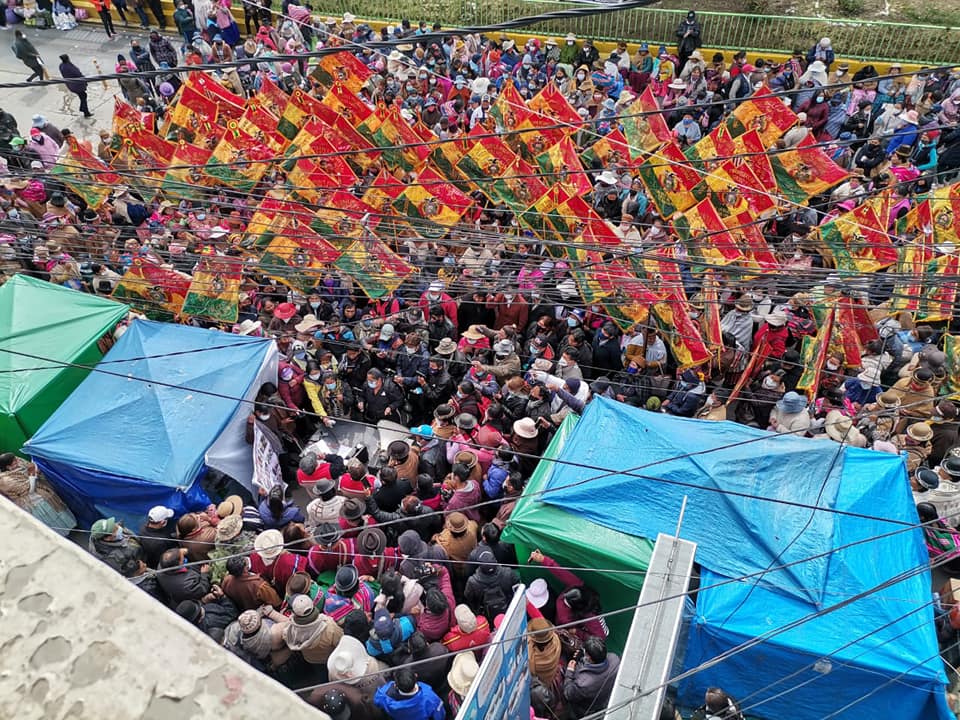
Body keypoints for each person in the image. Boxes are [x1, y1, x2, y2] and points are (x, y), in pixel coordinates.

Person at [563, 636, 621, 718]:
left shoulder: (583, 683)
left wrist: (570, 670)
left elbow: (568, 693)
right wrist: (583, 658)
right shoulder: (615, 659)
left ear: (589, 657)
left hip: (584, 710)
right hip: (603, 701)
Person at [374, 667, 446, 720]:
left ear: (395, 685)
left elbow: (377, 701)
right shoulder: (430, 697)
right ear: (415, 675)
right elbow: (440, 716)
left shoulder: (384, 695)